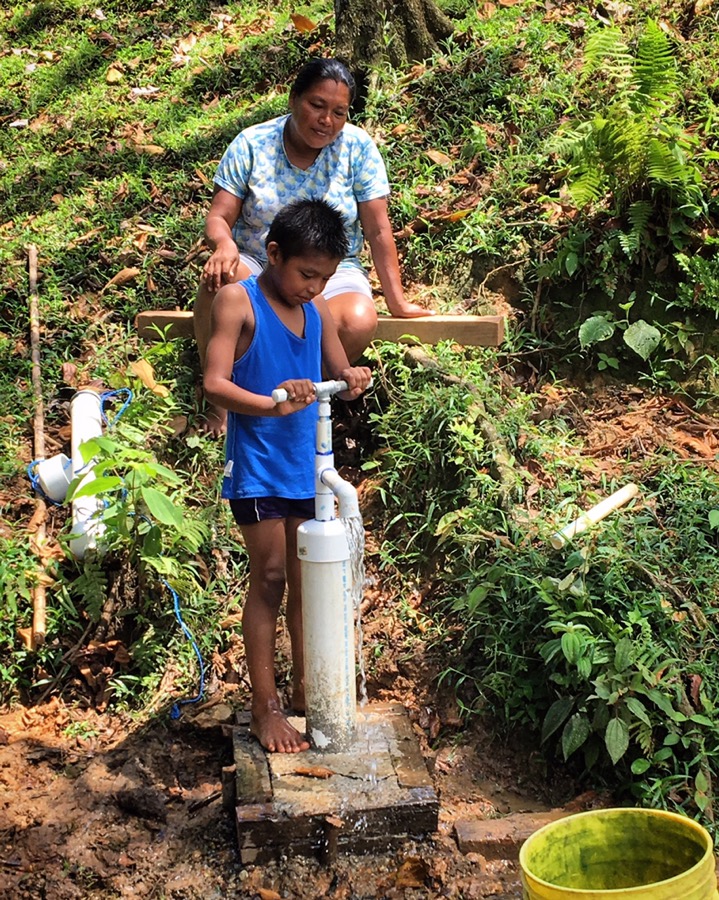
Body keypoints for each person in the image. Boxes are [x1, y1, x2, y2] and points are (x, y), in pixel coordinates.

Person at [203, 198, 372, 753]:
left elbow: (336, 368)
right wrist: (272, 404)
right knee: (271, 578)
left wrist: (352, 377)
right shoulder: (239, 301)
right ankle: (265, 708)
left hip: (309, 469)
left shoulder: (316, 308)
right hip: (258, 468)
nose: (313, 287)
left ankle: (306, 689)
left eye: (323, 278)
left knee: (307, 583)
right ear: (273, 254)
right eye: (306, 274)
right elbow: (215, 383)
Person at [196, 56, 431, 434]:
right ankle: (222, 405)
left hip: (328, 271)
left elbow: (377, 229)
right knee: (222, 278)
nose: (326, 120)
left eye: (339, 112)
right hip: (259, 261)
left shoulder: (358, 148)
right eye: (317, 105)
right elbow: (218, 217)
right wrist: (224, 245)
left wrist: (397, 301)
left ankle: (297, 398)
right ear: (294, 99)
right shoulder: (252, 144)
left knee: (357, 319)